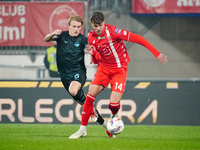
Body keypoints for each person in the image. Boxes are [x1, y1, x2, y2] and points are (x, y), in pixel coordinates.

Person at [69, 11, 168, 139]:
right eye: (95, 26)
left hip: (119, 69)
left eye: (100, 25)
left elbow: (138, 38)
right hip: (104, 68)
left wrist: (156, 52)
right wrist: (93, 54)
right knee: (90, 95)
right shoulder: (91, 37)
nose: (98, 29)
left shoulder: (114, 32)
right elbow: (98, 59)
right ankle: (82, 130)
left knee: (113, 104)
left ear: (104, 22)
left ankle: (113, 117)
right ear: (92, 25)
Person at [44, 14, 109, 137]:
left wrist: (92, 52)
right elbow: (46, 39)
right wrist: (52, 34)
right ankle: (105, 126)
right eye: (73, 26)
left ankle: (92, 116)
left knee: (74, 91)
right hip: (64, 77)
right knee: (86, 106)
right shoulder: (61, 35)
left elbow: (91, 47)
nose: (76, 29)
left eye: (78, 27)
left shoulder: (83, 39)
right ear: (68, 26)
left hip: (79, 73)